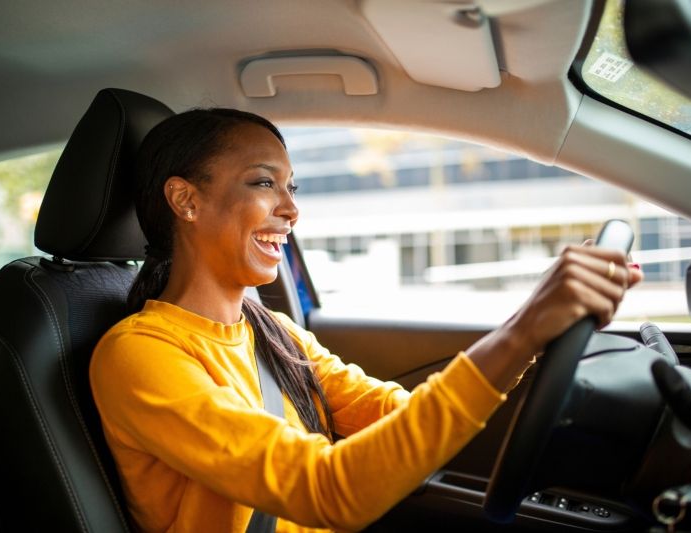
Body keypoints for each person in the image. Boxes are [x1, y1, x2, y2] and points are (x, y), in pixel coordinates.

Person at [89, 108, 643, 533]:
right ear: (185, 200)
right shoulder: (140, 355)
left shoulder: (275, 333)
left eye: (291, 187)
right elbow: (328, 489)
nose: (291, 209)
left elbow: (400, 418)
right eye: (263, 183)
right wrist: (523, 331)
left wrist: (533, 332)